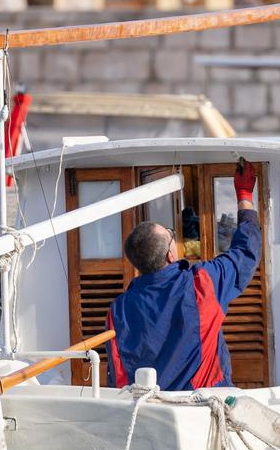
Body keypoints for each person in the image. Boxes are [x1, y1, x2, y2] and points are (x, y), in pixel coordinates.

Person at [106, 159, 261, 391]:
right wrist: (245, 194)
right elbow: (246, 252)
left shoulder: (117, 310)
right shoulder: (201, 284)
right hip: (204, 406)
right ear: (170, 254)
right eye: (170, 234)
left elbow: (118, 377)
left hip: (152, 414)